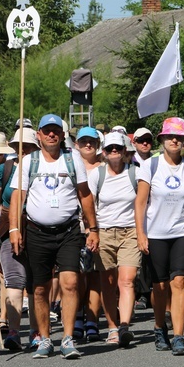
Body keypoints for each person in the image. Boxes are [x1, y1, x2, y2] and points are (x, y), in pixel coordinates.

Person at [9, 114, 99, 359]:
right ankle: (45, 339)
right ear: (38, 135)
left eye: (55, 131)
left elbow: (85, 195)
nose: (51, 135)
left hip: (69, 231)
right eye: (46, 131)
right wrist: (14, 229)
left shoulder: (73, 160)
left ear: (62, 135)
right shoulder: (28, 162)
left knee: (70, 282)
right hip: (37, 232)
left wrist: (93, 229)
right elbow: (18, 197)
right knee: (39, 289)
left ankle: (68, 338)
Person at [135, 117, 184, 355]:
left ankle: (179, 336)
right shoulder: (151, 166)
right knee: (160, 286)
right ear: (162, 139)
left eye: (179, 137)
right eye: (170, 137)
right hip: (156, 233)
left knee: (179, 282)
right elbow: (141, 202)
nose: (174, 140)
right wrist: (140, 233)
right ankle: (159, 328)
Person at [88, 132, 140, 347]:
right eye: (110, 149)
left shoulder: (136, 173)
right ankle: (112, 326)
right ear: (104, 153)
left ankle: (125, 325)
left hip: (131, 231)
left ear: (125, 150)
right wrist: (91, 231)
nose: (114, 152)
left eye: (118, 148)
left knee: (126, 280)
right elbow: (88, 204)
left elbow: (145, 202)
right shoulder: (96, 175)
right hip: (104, 231)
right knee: (107, 282)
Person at [0, 128, 39, 350]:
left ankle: (37, 331)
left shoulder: (42, 168)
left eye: (28, 147)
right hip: (10, 227)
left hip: (38, 228)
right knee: (13, 278)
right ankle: (13, 332)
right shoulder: (5, 169)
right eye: (19, 148)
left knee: (37, 282)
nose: (24, 152)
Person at [74, 126, 104, 342]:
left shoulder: (103, 168)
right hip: (74, 227)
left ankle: (92, 319)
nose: (88, 145)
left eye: (92, 141)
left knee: (94, 276)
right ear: (77, 144)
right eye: (83, 141)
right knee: (75, 276)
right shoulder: (72, 165)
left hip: (100, 227)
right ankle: (76, 317)